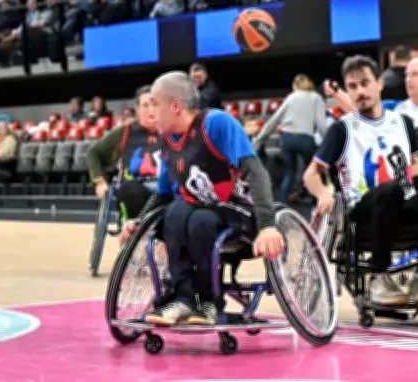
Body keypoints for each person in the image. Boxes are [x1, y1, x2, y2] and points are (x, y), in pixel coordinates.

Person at [120, 72, 283, 327]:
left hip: (240, 211)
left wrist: (268, 225)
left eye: (155, 104)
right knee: (175, 212)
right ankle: (183, 299)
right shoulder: (166, 140)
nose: (150, 112)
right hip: (202, 211)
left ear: (175, 106)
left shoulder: (216, 123)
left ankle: (209, 302)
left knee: (200, 219)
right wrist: (140, 222)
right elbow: (163, 193)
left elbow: (257, 173)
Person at [303, 55, 418, 306]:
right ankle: (379, 277)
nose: (360, 91)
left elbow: (414, 163)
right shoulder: (342, 128)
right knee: (390, 191)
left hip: (403, 201)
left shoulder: (402, 122)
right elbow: (311, 174)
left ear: (379, 84)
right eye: (352, 86)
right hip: (364, 207)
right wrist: (323, 193)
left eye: (365, 83)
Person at [326, 56, 418, 191]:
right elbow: (357, 107)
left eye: (415, 74)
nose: (409, 79)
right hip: (397, 182)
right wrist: (336, 92)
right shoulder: (395, 108)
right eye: (407, 75)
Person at [86, 86, 161, 221]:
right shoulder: (125, 132)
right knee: (131, 189)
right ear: (137, 108)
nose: (151, 109)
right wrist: (99, 181)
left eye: (154, 104)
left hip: (166, 186)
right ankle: (140, 230)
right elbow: (94, 153)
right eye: (145, 105)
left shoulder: (172, 130)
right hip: (136, 185)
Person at [253, 74, 328, 204]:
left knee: (289, 173)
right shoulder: (316, 98)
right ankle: (317, 204)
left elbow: (274, 120)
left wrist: (259, 139)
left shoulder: (291, 97)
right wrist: (328, 143)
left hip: (287, 139)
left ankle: (282, 205)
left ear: (295, 85)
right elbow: (321, 124)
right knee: (313, 172)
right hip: (305, 139)